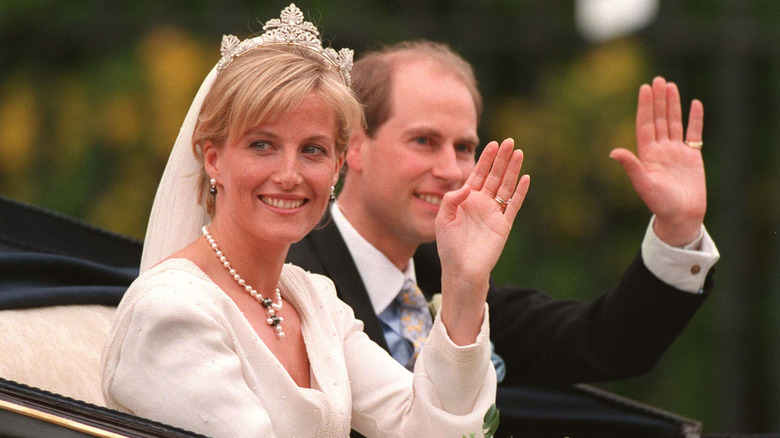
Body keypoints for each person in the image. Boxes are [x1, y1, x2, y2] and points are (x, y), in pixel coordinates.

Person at [101, 6, 527, 437]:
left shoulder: (315, 303)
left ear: (339, 165)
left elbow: (430, 429)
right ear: (214, 159)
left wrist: (464, 281)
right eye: (263, 145)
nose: (290, 175)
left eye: (313, 150)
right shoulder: (172, 311)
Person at [287, 41, 720, 392]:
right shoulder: (288, 275)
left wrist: (678, 228)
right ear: (355, 147)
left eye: (463, 147)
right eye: (424, 141)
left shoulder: (454, 280)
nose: (451, 170)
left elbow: (607, 344)